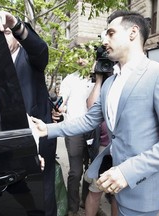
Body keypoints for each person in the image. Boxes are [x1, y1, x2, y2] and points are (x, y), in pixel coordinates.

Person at [31, 10, 159, 216]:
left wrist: (128, 171)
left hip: (144, 187)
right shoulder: (109, 82)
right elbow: (89, 120)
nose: (104, 40)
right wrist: (47, 128)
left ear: (133, 32)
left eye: (110, 33)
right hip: (116, 180)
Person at [0, 11, 57, 216]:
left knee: (42, 193)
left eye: (5, 32)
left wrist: (14, 23)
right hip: (4, 141)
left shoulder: (31, 58)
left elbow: (40, 48)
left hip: (35, 140)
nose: (1, 37)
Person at [53, 58, 94, 216]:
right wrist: (58, 106)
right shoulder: (70, 79)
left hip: (94, 131)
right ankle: (72, 207)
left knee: (91, 170)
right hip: (75, 129)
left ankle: (86, 200)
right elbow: (61, 101)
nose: (82, 60)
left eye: (87, 57)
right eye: (80, 57)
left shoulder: (99, 78)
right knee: (76, 171)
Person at [85, 70, 117, 216]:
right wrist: (99, 79)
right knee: (95, 190)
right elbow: (91, 107)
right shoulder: (105, 84)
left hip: (124, 149)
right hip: (104, 149)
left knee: (118, 194)